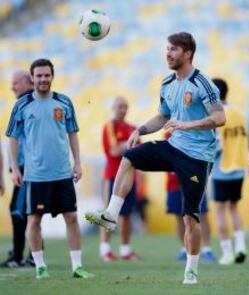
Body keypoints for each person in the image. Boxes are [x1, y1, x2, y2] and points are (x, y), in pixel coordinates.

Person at [85, 32, 226, 284]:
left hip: (197, 158)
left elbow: (219, 118)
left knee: (190, 218)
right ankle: (111, 214)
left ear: (188, 53)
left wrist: (187, 124)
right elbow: (162, 117)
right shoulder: (167, 83)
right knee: (129, 157)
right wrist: (138, 130)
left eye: (174, 49)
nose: (168, 53)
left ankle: (191, 270)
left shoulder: (202, 83)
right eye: (167, 49)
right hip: (173, 147)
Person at [6, 58, 93, 279]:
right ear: (32, 78)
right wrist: (15, 168)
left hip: (63, 173)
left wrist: (78, 162)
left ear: (52, 76)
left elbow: (73, 133)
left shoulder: (64, 102)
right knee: (34, 220)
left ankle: (77, 267)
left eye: (47, 75)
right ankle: (40, 267)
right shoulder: (22, 105)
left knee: (72, 217)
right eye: (39, 76)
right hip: (35, 175)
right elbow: (13, 138)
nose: (43, 79)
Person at [210, 78, 249, 265]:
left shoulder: (216, 116)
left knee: (220, 211)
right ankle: (241, 246)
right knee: (234, 208)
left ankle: (227, 253)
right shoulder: (241, 114)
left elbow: (215, 146)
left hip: (222, 169)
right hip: (239, 167)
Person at [100, 96, 141, 261]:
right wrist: (129, 144)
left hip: (130, 177)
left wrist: (125, 145)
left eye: (125, 106)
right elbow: (113, 151)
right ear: (113, 108)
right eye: (119, 106)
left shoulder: (133, 128)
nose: (122, 109)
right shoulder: (109, 127)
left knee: (127, 214)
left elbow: (138, 150)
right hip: (111, 176)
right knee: (109, 212)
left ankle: (125, 250)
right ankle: (105, 250)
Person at [0, 70, 35, 268]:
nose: (12, 86)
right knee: (29, 210)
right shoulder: (31, 101)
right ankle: (29, 254)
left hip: (28, 167)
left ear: (27, 82)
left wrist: (17, 167)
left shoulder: (25, 103)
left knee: (19, 210)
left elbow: (17, 137)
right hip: (26, 166)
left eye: (15, 82)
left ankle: (21, 255)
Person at [164, 137, 216, 262]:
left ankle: (207, 249)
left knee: (201, 215)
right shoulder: (167, 137)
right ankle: (184, 248)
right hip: (174, 184)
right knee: (179, 216)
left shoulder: (193, 133)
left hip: (194, 181)